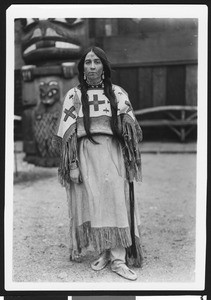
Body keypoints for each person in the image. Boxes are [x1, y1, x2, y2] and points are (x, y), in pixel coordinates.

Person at [53, 46, 143, 281]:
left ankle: (119, 259)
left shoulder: (117, 93)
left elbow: (130, 129)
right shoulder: (74, 95)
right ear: (82, 67)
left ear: (104, 66)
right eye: (88, 62)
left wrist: (130, 158)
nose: (92, 66)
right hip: (85, 155)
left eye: (97, 62)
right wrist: (72, 164)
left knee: (115, 200)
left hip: (112, 152)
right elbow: (68, 135)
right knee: (94, 202)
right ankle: (104, 250)